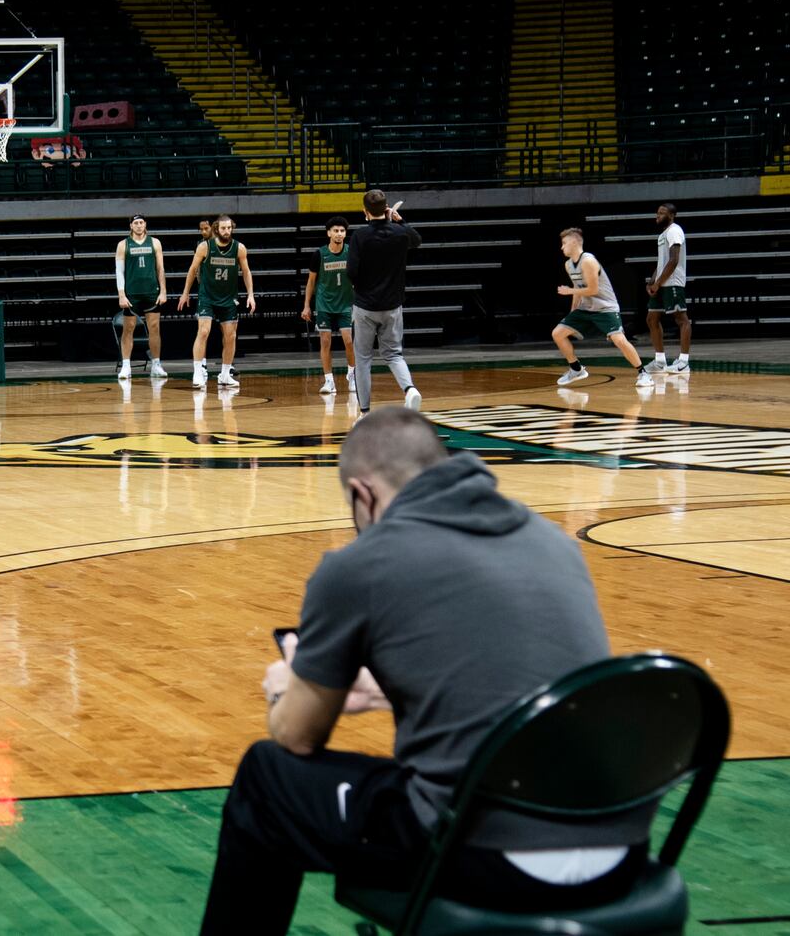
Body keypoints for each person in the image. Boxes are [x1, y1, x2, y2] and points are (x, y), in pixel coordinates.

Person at [201, 409, 647, 933]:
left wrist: (287, 689)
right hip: (623, 849)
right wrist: (388, 692)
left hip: (490, 854)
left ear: (363, 494)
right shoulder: (551, 540)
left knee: (267, 777)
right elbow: (522, 690)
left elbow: (298, 737)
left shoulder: (358, 565)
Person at [348, 190, 422, 414]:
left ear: (365, 211)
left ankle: (365, 412)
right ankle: (409, 389)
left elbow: (351, 271)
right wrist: (399, 220)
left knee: (363, 359)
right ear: (386, 208)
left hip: (365, 307)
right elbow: (417, 240)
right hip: (392, 306)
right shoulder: (400, 233)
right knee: (393, 354)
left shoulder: (360, 236)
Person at [553, 228, 653, 388]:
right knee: (558, 333)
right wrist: (573, 313)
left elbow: (593, 290)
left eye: (564, 243)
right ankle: (576, 369)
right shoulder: (568, 265)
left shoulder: (588, 261)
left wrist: (569, 291)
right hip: (586, 308)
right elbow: (577, 289)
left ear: (574, 242)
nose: (562, 247)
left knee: (619, 340)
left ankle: (643, 373)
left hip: (605, 308)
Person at [179, 214, 255, 389]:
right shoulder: (204, 247)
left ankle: (225, 374)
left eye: (229, 228)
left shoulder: (239, 248)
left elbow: (247, 272)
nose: (227, 231)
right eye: (223, 228)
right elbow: (192, 270)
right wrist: (185, 293)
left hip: (229, 298)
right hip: (207, 296)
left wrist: (250, 294)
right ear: (216, 229)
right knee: (204, 331)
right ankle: (198, 371)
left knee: (230, 336)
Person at [301, 217, 357, 396]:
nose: (339, 234)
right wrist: (306, 306)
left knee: (349, 340)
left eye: (342, 231)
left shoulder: (351, 252)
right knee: (325, 342)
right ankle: (329, 381)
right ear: (329, 233)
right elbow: (310, 282)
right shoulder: (319, 254)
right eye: (336, 231)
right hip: (324, 304)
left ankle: (352, 375)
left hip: (345, 304)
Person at [116, 214, 168, 381]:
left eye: (141, 222)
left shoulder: (155, 243)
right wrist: (121, 294)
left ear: (145, 224)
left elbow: (160, 269)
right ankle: (125, 365)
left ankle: (156, 364)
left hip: (151, 292)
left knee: (154, 328)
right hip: (132, 294)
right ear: (131, 226)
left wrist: (163, 291)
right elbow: (119, 272)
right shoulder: (123, 245)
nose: (139, 225)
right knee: (128, 329)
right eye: (135, 223)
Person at [644, 202, 692, 375]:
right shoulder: (663, 234)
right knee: (652, 318)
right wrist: (652, 281)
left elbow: (673, 260)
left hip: (672, 282)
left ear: (672, 215)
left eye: (662, 213)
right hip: (662, 283)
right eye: (657, 212)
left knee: (682, 320)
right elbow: (662, 262)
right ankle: (660, 361)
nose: (658, 215)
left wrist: (659, 282)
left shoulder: (674, 230)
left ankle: (684, 362)